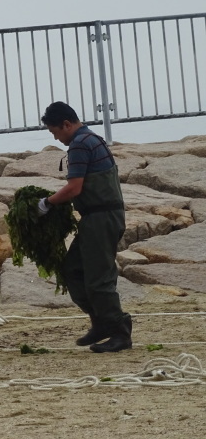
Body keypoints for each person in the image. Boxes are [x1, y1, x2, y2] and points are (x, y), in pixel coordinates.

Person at [38, 102, 132, 352]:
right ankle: (101, 322)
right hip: (98, 217)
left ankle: (120, 332)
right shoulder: (93, 138)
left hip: (102, 218)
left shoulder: (80, 143)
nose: (56, 137)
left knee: (99, 279)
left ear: (67, 124)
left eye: (54, 131)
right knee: (73, 270)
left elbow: (74, 188)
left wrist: (46, 203)